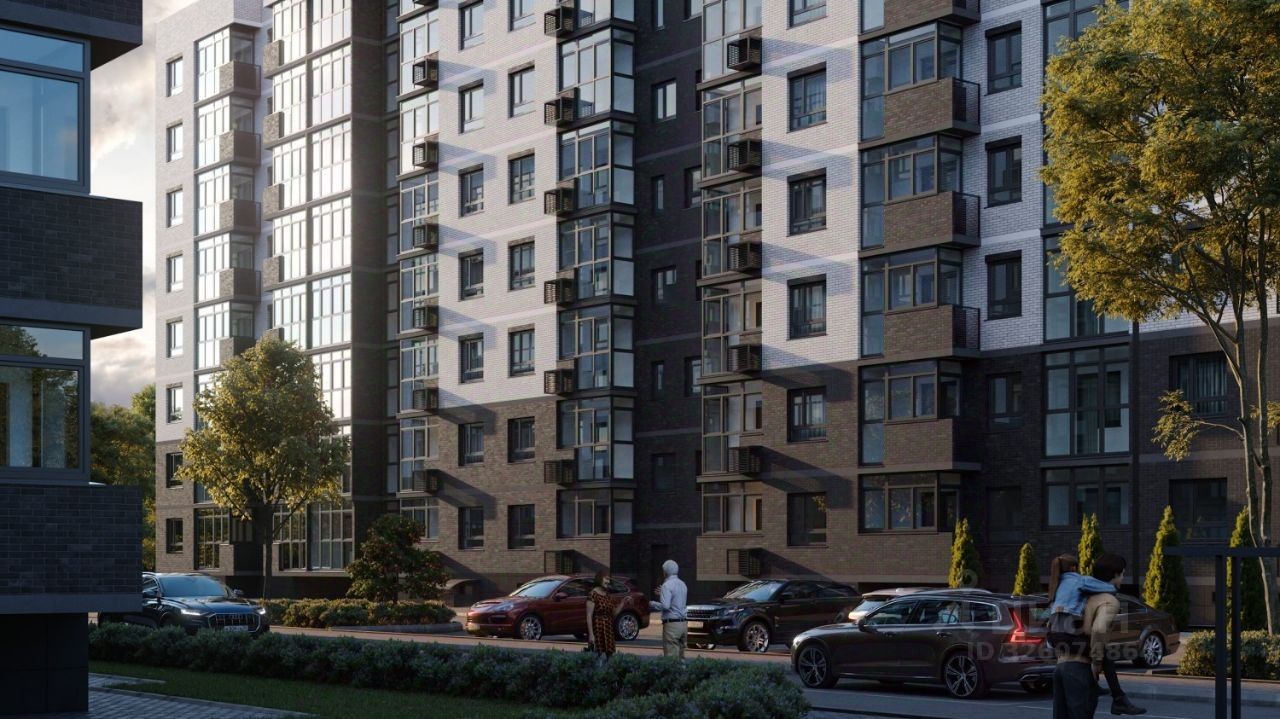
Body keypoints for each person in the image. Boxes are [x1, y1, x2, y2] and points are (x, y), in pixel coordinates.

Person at [1047, 554, 1146, 716]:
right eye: (1122, 574)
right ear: (1115, 574)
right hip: (1080, 668)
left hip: (1060, 667)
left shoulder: (1081, 594)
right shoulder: (1109, 600)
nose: (1122, 578)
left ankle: (1119, 698)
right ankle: (1119, 698)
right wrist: (1097, 662)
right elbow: (1099, 629)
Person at [649, 559, 688, 659]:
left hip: (672, 625)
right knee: (681, 657)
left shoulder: (667, 585)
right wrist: (662, 594)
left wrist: (652, 604)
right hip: (683, 624)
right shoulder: (683, 584)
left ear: (665, 572)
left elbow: (666, 606)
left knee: (671, 657)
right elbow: (676, 600)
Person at [585, 570, 618, 657]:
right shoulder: (593, 594)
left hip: (608, 628)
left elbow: (614, 613)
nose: (608, 581)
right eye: (606, 579)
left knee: (609, 656)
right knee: (597, 655)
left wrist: (623, 603)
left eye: (609, 579)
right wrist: (591, 635)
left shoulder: (607, 595)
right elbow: (589, 615)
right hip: (598, 628)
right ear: (600, 579)